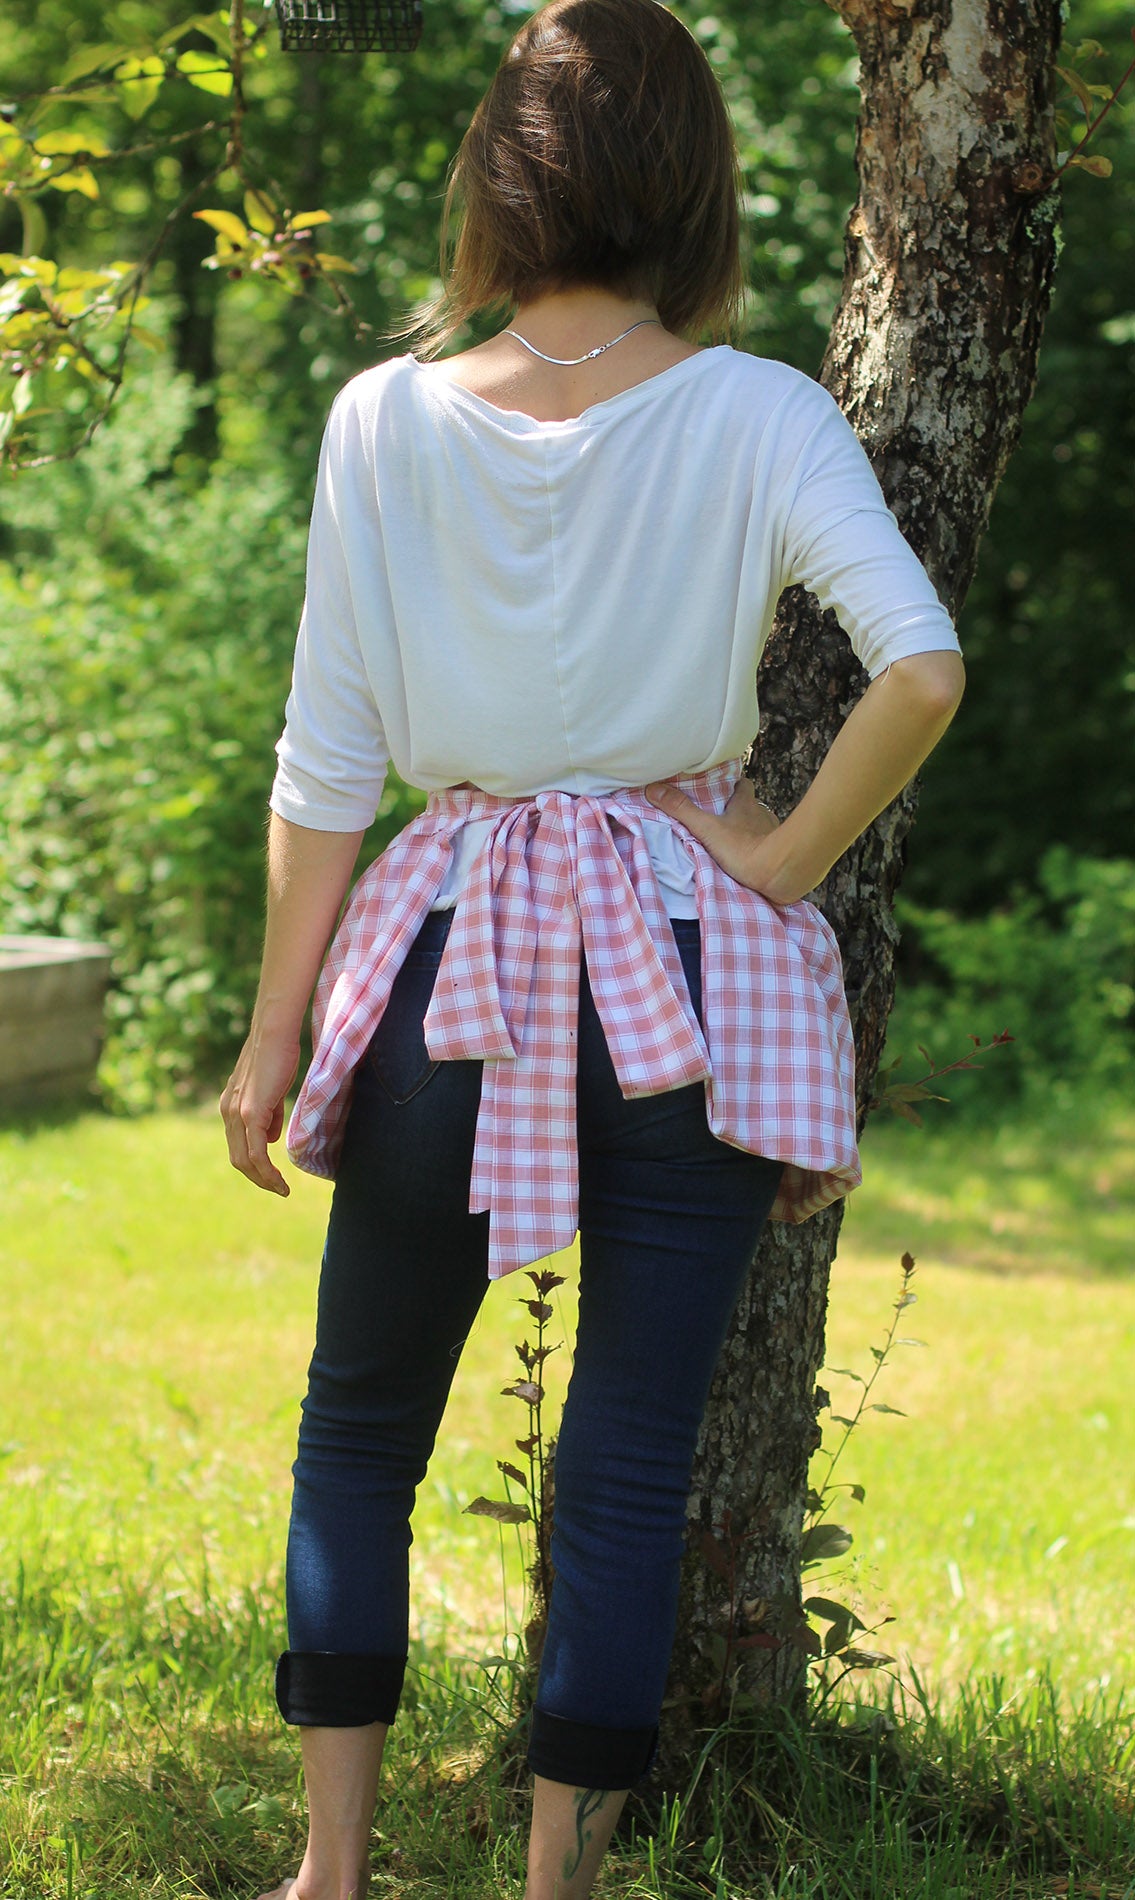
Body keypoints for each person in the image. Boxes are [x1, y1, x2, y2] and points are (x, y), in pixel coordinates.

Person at [219, 2, 965, 1895]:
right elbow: (923, 666)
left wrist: (271, 1035)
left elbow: (327, 764)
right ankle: (558, 1883)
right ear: (691, 190)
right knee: (630, 1462)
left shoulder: (381, 417)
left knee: (359, 1425)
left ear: (497, 176)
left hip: (445, 960)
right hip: (679, 983)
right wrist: (783, 857)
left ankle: (330, 1872)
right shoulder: (759, 408)